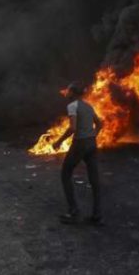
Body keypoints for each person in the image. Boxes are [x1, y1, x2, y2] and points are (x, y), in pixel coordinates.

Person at [53, 83, 103, 225]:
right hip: (92, 144)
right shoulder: (88, 106)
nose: (66, 93)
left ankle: (73, 212)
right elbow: (100, 124)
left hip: (80, 144)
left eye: (68, 90)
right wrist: (93, 135)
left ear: (73, 93)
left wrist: (58, 142)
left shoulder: (72, 106)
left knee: (65, 174)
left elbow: (73, 128)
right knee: (94, 179)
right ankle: (97, 214)